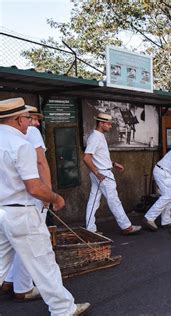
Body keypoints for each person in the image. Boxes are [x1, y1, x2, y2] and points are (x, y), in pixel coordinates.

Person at [0, 97, 90, 315]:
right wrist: (55, 197)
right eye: (28, 118)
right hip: (20, 211)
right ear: (19, 119)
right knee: (44, 263)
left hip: (1, 211)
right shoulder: (20, 145)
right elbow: (34, 187)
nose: (30, 123)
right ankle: (63, 309)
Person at [2, 106, 54, 302]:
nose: (36, 123)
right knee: (34, 247)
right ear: (19, 119)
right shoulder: (28, 134)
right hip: (27, 198)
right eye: (32, 118)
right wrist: (48, 195)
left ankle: (10, 280)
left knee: (11, 246)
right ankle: (23, 287)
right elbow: (41, 162)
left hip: (4, 205)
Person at [83, 113, 141, 235]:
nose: (110, 126)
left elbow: (100, 157)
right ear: (100, 123)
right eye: (108, 124)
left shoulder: (99, 136)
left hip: (101, 172)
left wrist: (114, 163)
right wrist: (97, 172)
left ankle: (90, 229)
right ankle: (126, 226)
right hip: (103, 174)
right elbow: (86, 158)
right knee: (114, 200)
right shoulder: (95, 138)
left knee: (93, 201)